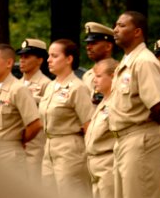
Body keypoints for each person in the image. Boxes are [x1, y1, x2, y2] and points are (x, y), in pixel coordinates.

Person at [109, 11, 160, 198]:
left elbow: (159, 107)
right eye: (116, 25)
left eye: (122, 25)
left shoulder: (144, 62)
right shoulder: (127, 62)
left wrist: (148, 137)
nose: (115, 30)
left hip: (140, 140)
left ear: (137, 32)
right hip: (122, 141)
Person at [39, 39, 94, 198]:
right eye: (49, 55)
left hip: (70, 149)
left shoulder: (78, 87)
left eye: (54, 56)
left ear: (69, 59)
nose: (49, 60)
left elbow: (89, 124)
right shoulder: (50, 86)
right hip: (49, 147)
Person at [0, 44, 42, 173]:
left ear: (9, 63)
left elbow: (35, 124)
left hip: (8, 155)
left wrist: (17, 140)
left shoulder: (18, 89)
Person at [16, 38, 52, 181]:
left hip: (35, 147)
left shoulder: (46, 84)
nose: (22, 60)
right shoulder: (16, 84)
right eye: (21, 56)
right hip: (16, 146)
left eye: (27, 56)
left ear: (40, 60)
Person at [85, 58, 119, 198]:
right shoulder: (103, 101)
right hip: (94, 164)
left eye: (99, 76)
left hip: (108, 163)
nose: (94, 80)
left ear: (113, 76)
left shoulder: (117, 102)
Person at [82, 22, 115, 105]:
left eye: (93, 43)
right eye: (88, 43)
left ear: (108, 46)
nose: (88, 47)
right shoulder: (87, 75)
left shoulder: (117, 72)